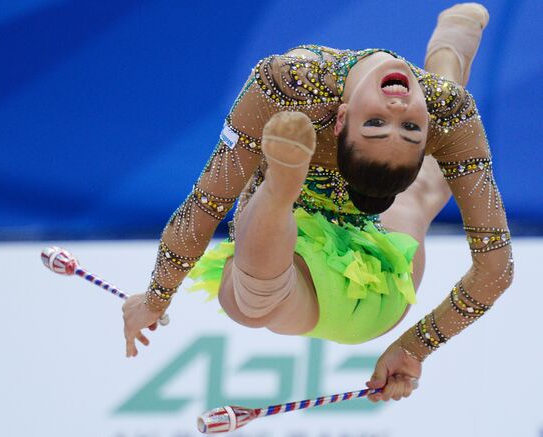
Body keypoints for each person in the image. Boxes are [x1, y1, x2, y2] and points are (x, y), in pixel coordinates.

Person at [123, 3, 513, 403]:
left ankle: (279, 189)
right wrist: (156, 296)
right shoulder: (290, 83)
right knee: (431, 161)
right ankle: (280, 191)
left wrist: (417, 345)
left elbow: (496, 272)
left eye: (394, 125)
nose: (397, 110)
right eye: (388, 125)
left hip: (368, 279)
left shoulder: (292, 86)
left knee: (254, 304)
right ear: (340, 120)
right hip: (313, 249)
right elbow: (208, 203)